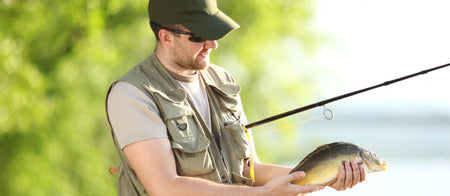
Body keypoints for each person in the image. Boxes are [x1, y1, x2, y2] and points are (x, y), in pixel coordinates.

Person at [105, 0, 366, 195]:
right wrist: (262, 194)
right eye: (199, 36)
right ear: (165, 37)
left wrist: (322, 175)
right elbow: (166, 187)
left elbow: (249, 169)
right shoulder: (132, 95)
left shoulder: (223, 81)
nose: (212, 44)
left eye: (213, 32)